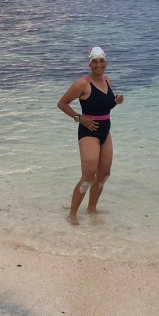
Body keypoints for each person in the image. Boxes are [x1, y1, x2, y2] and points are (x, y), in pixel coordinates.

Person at [56, 46, 124, 222]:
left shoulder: (107, 80)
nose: (99, 65)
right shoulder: (82, 84)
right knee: (88, 176)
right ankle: (72, 215)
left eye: (101, 61)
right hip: (88, 132)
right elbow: (62, 103)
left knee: (104, 174)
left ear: (105, 63)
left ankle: (92, 208)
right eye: (95, 62)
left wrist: (116, 102)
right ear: (90, 64)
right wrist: (80, 118)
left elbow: (104, 106)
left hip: (105, 131)